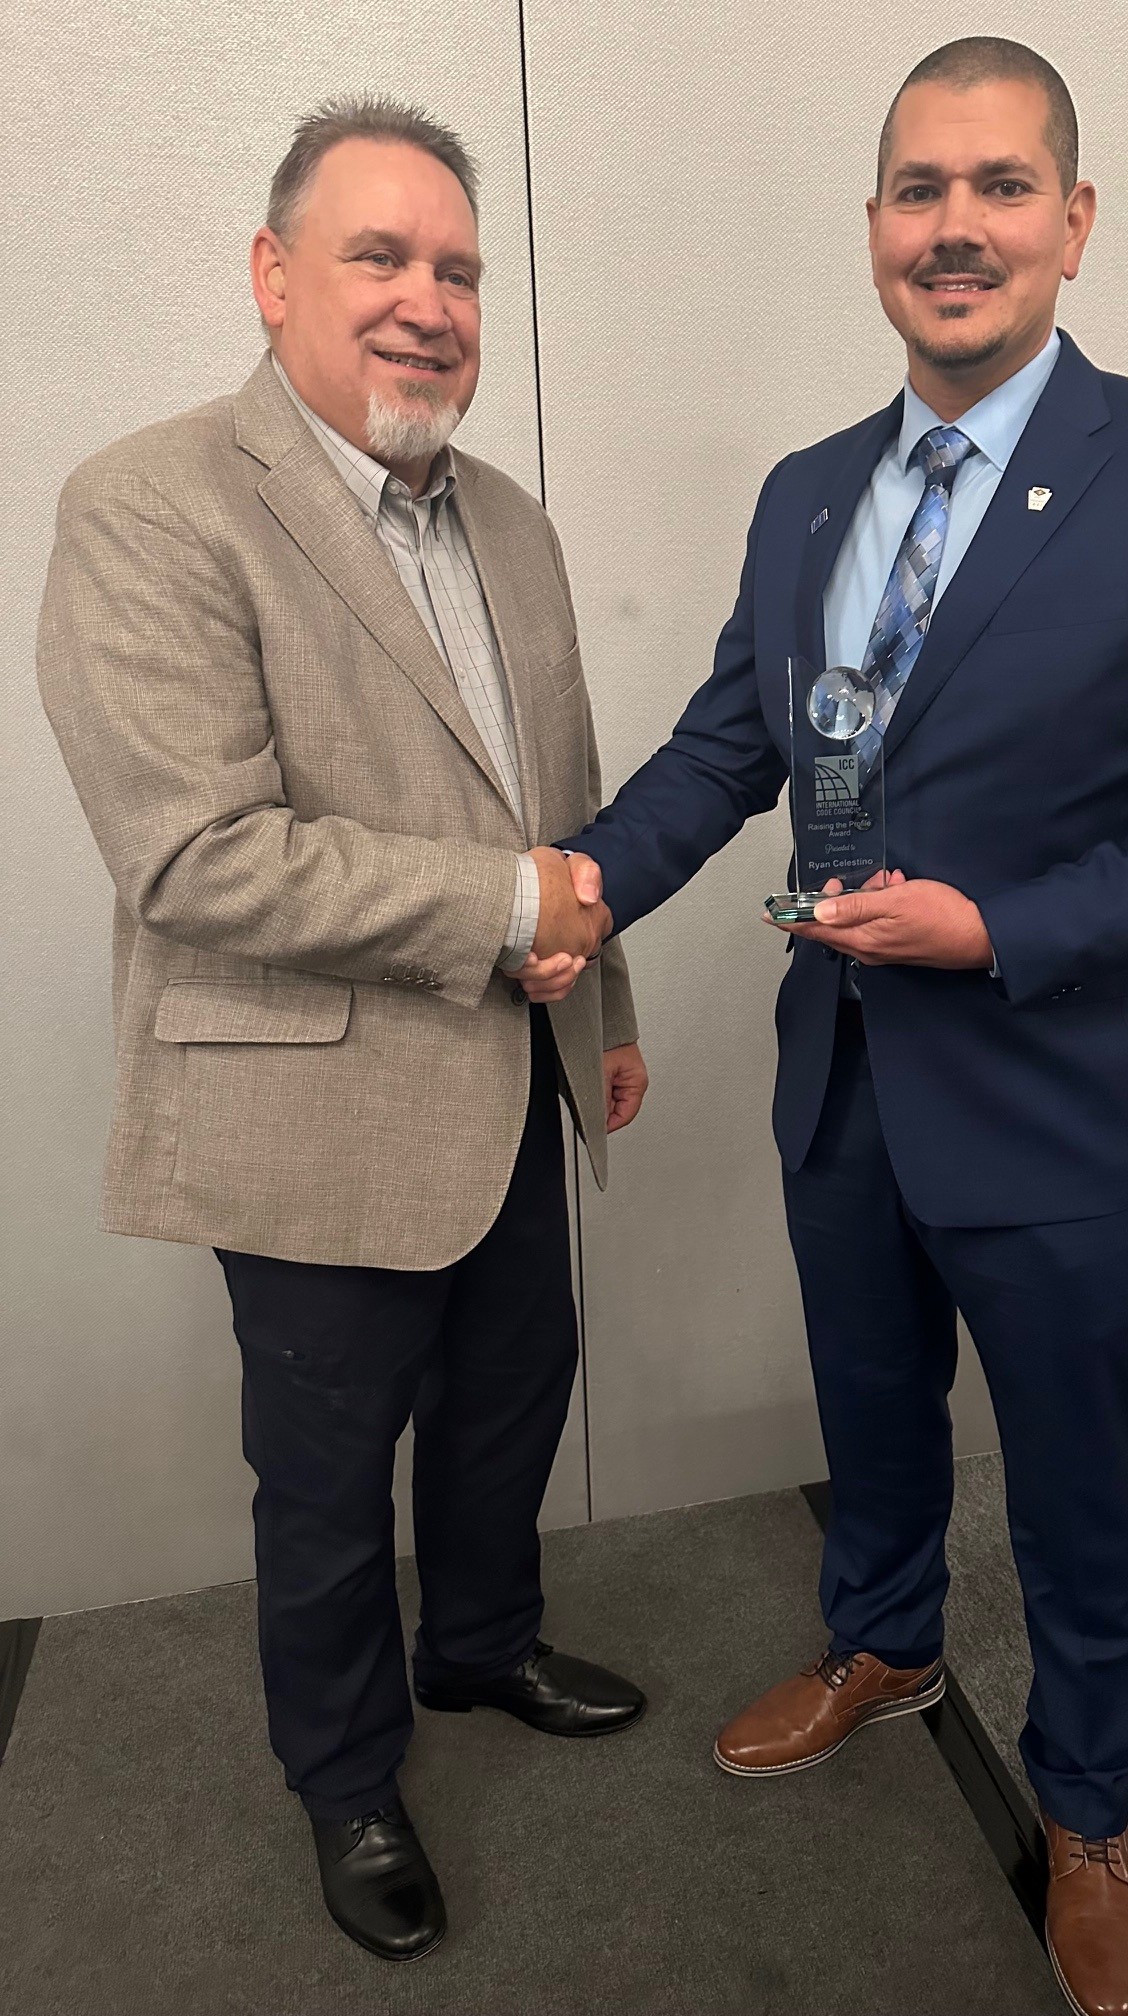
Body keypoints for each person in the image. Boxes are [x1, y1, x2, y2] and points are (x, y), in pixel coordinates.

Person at [562, 38, 1128, 2016]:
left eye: (1002, 187)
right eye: (921, 189)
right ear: (875, 230)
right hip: (842, 1076)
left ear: (1074, 222)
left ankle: (1087, 1806)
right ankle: (887, 1640)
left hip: (1056, 1089)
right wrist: (576, 887)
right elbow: (727, 748)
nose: (958, 227)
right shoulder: (809, 494)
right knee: (872, 1406)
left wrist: (1000, 929)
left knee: (1079, 1477)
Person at [36, 95, 644, 1965]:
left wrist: (604, 1010)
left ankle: (480, 1645)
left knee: (513, 1393)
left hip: (515, 1075)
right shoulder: (149, 503)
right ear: (272, 273)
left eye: (457, 267)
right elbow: (195, 854)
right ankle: (349, 1774)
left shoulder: (510, 520)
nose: (426, 300)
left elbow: (561, 803)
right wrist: (508, 914)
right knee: (322, 1479)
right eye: (379, 254)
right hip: (307, 1108)